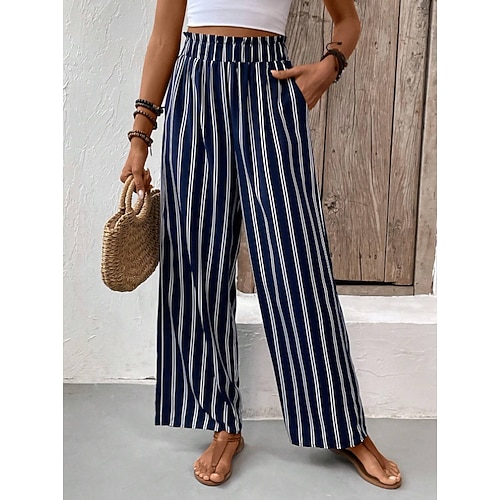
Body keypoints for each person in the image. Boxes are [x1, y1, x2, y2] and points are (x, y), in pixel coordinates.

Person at [120, 0, 402, 490]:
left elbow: (348, 20)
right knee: (196, 261)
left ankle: (340, 424)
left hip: (270, 87)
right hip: (197, 88)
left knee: (297, 262)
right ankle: (222, 423)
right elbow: (165, 36)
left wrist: (329, 66)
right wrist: (139, 138)